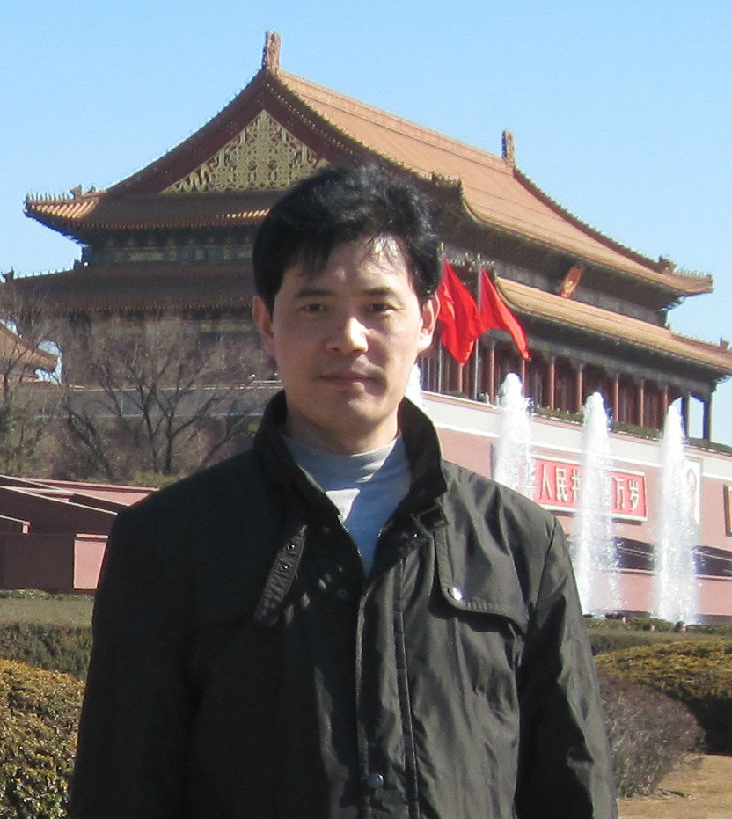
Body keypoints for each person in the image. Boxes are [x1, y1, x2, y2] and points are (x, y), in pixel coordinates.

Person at [70, 164, 617, 819]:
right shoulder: (169, 543)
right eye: (315, 306)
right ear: (267, 323)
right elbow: (120, 789)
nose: (348, 338)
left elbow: (572, 783)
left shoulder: (517, 543)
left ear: (427, 321)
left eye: (378, 307)